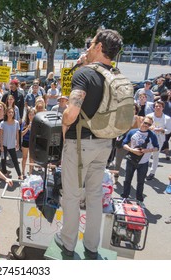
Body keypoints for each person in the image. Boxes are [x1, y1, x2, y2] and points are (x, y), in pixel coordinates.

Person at [56, 29, 123, 259]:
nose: (88, 45)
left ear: (98, 47)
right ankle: (92, 248)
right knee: (94, 196)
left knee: (72, 195)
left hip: (80, 145)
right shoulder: (116, 74)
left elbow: (71, 113)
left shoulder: (85, 75)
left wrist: (64, 122)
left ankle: (67, 243)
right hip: (105, 144)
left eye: (91, 42)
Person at [121, 116, 159, 202]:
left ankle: (139, 199)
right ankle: (125, 196)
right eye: (145, 123)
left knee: (141, 182)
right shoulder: (132, 132)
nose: (146, 125)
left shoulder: (152, 135)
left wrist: (148, 150)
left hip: (143, 162)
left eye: (149, 124)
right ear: (141, 121)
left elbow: (157, 147)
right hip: (131, 160)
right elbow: (123, 144)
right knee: (127, 180)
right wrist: (131, 150)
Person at [145, 101, 171, 180]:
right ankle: (144, 171)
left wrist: (162, 130)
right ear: (154, 107)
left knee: (155, 156)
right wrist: (149, 128)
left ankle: (152, 172)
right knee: (146, 155)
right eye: (156, 106)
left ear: (163, 108)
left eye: (160, 106)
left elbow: (169, 130)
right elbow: (144, 126)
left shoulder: (167, 118)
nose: (158, 108)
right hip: (149, 138)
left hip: (159, 139)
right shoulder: (149, 116)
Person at [0, 107, 22, 179]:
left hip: (12, 145)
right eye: (9, 112)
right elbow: (1, 135)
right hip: (4, 144)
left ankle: (19, 174)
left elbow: (17, 134)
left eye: (12, 112)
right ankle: (5, 173)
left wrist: (17, 143)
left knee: (15, 160)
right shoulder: (3, 123)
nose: (11, 114)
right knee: (3, 159)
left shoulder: (16, 123)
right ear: (6, 113)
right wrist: (1, 145)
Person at [21, 108, 36, 177]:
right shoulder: (24, 123)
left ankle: (30, 173)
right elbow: (21, 134)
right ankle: (23, 172)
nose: (31, 116)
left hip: (33, 142)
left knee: (31, 158)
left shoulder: (37, 123)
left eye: (33, 115)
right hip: (26, 141)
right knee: (24, 157)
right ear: (27, 115)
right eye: (30, 114)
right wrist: (27, 128)